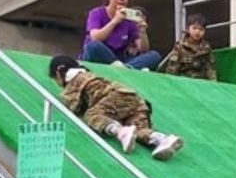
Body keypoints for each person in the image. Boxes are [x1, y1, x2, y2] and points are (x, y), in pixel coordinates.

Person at [48, 56, 183, 160]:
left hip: (117, 97)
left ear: (59, 73)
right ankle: (162, 139)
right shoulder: (91, 75)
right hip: (135, 100)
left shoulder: (75, 80)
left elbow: (73, 106)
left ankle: (120, 131)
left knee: (92, 115)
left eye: (55, 78)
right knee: (140, 129)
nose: (58, 84)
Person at [80, 0, 161, 70]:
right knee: (93, 46)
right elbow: (95, 37)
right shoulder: (96, 13)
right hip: (99, 56)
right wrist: (114, 21)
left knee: (154, 55)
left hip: (119, 59)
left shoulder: (129, 20)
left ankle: (127, 68)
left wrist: (142, 32)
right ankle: (126, 68)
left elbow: (143, 50)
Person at [159, 13, 217, 80]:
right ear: (187, 29)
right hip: (184, 81)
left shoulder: (207, 47)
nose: (197, 32)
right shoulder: (179, 46)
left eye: (201, 29)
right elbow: (172, 69)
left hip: (201, 82)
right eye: (194, 28)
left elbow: (210, 68)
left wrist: (213, 83)